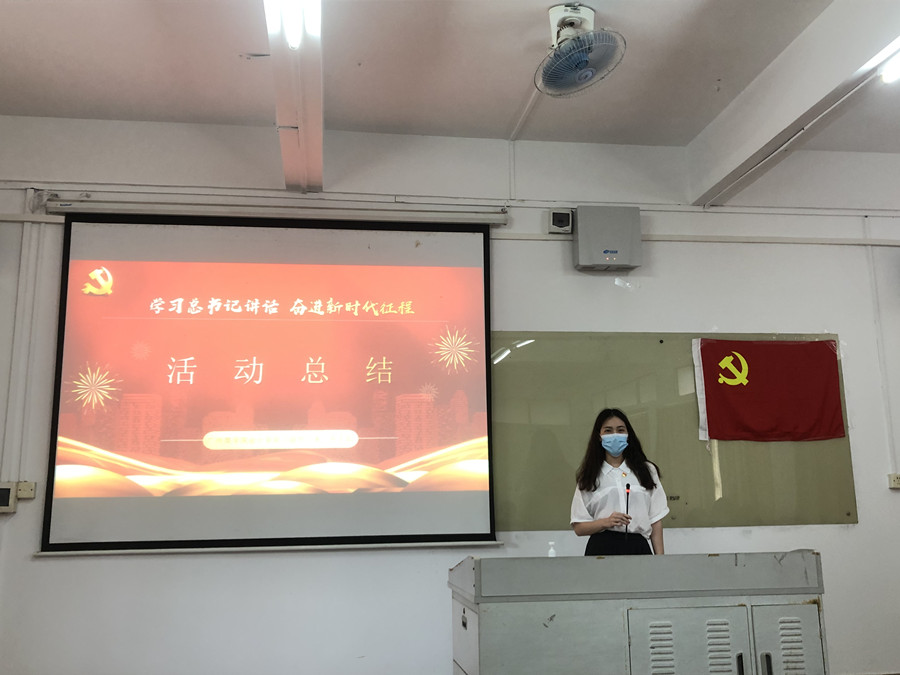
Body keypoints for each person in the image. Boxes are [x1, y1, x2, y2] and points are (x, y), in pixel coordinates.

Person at [570, 408, 669, 556]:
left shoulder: (647, 470)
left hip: (638, 546)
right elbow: (579, 527)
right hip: (601, 547)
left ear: (628, 435)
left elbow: (655, 520)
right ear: (599, 436)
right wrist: (606, 522)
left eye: (620, 430)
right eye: (608, 431)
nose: (615, 435)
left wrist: (660, 560)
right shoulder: (589, 475)